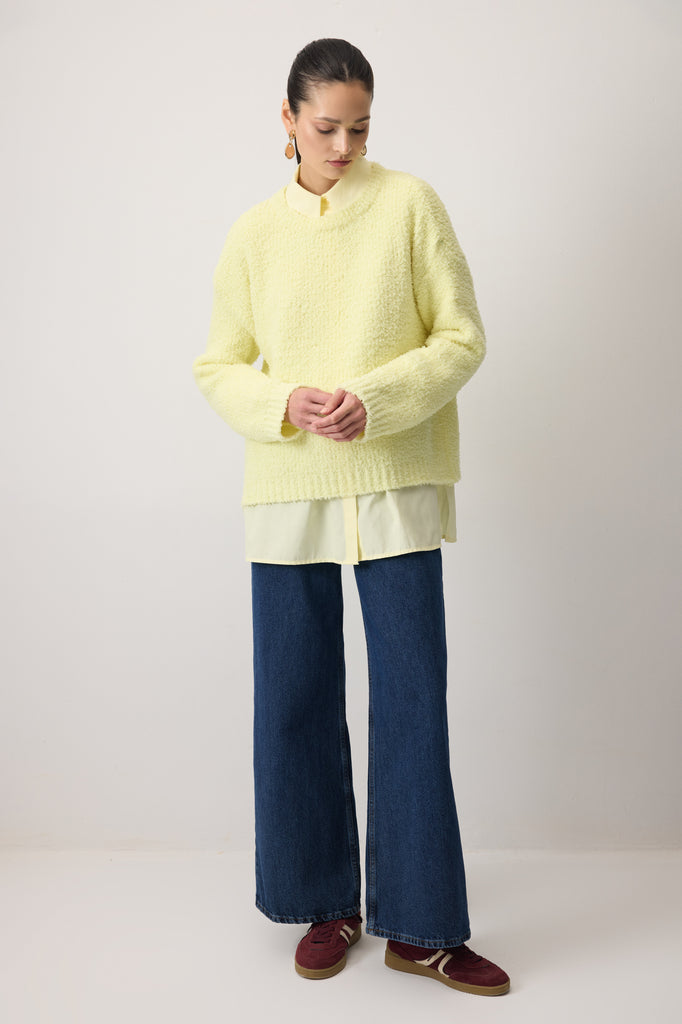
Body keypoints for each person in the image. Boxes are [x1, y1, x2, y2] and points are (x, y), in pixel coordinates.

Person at [193, 38, 510, 997]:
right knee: (292, 699)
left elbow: (462, 336)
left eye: (360, 128)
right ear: (288, 120)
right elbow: (218, 364)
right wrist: (281, 402)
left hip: (396, 481)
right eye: (326, 127)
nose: (343, 146)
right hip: (288, 486)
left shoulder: (411, 205)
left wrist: (376, 399)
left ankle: (422, 927)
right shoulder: (254, 234)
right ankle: (322, 901)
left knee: (413, 701)